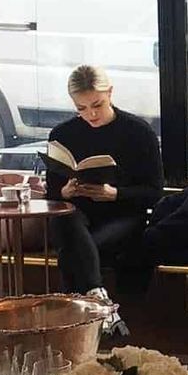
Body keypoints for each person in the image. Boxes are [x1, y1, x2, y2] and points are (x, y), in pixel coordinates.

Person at [45, 65, 163, 316]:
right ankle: (97, 299)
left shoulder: (138, 132)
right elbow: (52, 193)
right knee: (67, 221)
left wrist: (115, 194)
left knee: (75, 248)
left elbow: (154, 192)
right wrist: (66, 191)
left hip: (122, 215)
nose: (91, 114)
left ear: (110, 92)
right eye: (81, 108)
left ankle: (82, 310)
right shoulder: (62, 134)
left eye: (97, 105)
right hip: (76, 214)